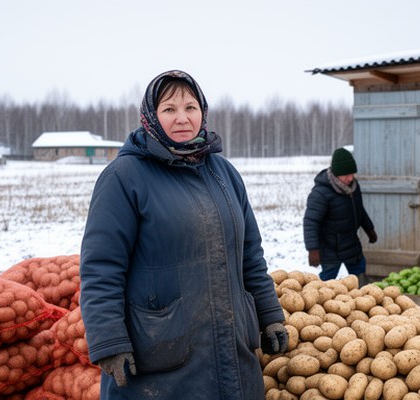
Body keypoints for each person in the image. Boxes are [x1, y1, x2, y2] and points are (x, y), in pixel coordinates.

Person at [79, 70, 288, 399]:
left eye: (191, 108)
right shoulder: (124, 177)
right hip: (163, 361)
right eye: (169, 109)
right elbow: (101, 268)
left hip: (232, 351)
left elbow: (250, 254)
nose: (182, 118)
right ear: (150, 116)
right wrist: (108, 340)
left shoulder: (225, 174)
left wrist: (269, 313)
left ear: (203, 112)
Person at [304, 147, 377, 284]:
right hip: (330, 248)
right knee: (326, 284)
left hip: (351, 245)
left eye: (352, 174)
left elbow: (359, 210)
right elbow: (311, 222)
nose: (350, 178)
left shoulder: (354, 188)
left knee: (361, 278)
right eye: (346, 175)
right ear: (336, 174)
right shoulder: (320, 193)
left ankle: (363, 301)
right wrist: (312, 249)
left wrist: (369, 229)